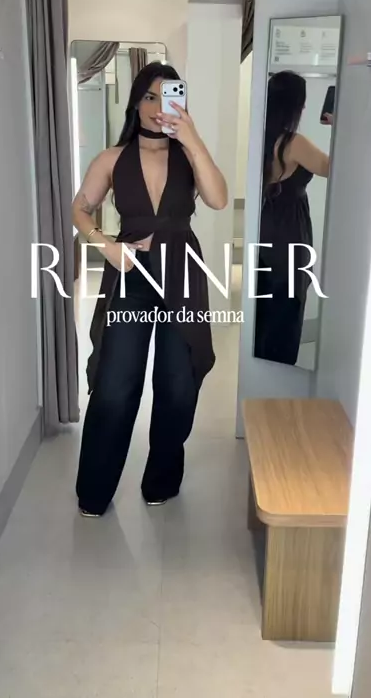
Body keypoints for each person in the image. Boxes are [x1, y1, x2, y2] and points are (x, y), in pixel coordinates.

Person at [72, 62, 227, 517]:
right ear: (136, 103)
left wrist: (192, 138)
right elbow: (80, 209)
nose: (159, 107)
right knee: (116, 384)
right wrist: (106, 246)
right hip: (130, 273)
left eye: (169, 97)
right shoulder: (111, 158)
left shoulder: (189, 155)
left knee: (178, 384)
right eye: (150, 97)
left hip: (182, 271)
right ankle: (94, 491)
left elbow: (218, 199)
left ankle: (161, 479)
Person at [254, 70, 330, 366]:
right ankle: (280, 373)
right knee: (287, 307)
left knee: (264, 307)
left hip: (264, 227)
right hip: (288, 233)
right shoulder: (293, 143)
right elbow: (332, 167)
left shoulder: (261, 137)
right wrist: (340, 126)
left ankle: (261, 370)